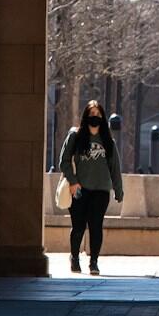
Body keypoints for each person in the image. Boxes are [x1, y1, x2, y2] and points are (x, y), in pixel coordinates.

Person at [58, 99, 124, 274]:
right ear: (86, 116)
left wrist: (118, 190)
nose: (95, 117)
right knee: (78, 226)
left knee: (96, 226)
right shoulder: (76, 136)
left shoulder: (108, 141)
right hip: (79, 189)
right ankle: (74, 257)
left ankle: (93, 261)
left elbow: (115, 168)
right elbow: (63, 162)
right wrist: (73, 181)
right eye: (91, 114)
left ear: (102, 118)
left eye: (98, 115)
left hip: (101, 190)